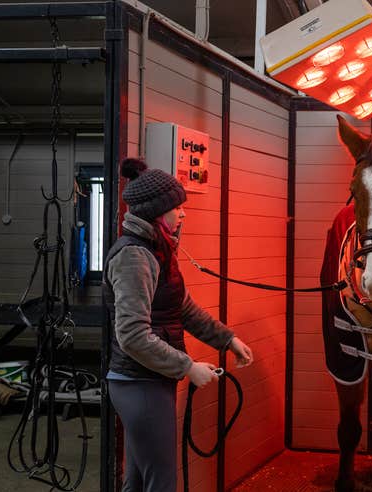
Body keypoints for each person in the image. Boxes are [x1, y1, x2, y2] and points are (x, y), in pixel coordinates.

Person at [103, 158, 253, 492]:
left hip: (148, 381)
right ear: (158, 212)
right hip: (138, 383)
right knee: (161, 482)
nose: (183, 214)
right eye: (177, 208)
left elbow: (182, 309)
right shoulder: (134, 257)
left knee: (139, 481)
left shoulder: (157, 251)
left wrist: (227, 339)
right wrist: (188, 367)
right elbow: (132, 335)